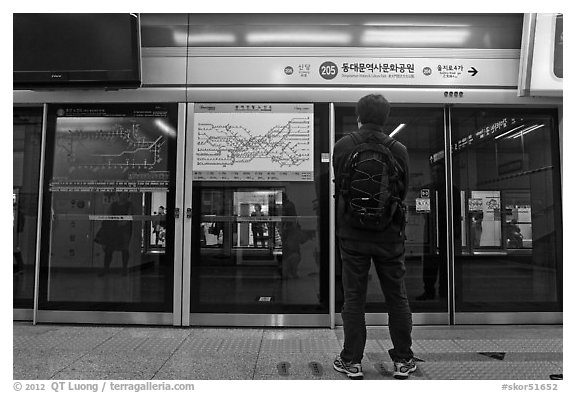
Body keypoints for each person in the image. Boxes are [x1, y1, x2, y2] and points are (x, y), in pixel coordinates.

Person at [332, 94, 415, 380]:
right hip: (389, 236)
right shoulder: (399, 148)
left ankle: (351, 361)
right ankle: (403, 360)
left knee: (354, 298)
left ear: (358, 116)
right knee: (397, 297)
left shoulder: (342, 146)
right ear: (386, 118)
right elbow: (402, 192)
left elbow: (340, 187)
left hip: (352, 234)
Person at [95, 192, 134, 276]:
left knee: (124, 248)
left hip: (125, 230)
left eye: (127, 194)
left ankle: (124, 269)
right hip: (114, 229)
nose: (125, 196)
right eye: (123, 194)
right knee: (109, 249)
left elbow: (129, 215)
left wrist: (122, 222)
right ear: (119, 195)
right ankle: (106, 269)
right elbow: (108, 215)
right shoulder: (114, 205)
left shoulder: (129, 204)